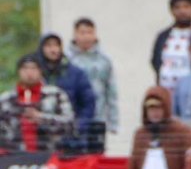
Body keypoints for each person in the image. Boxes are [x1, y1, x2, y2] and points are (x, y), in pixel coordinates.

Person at [34, 32, 95, 152]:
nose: (53, 50)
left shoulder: (76, 74)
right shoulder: (35, 74)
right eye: (48, 46)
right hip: (41, 139)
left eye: (56, 45)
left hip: (70, 138)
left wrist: (79, 127)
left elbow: (88, 104)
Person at [0, 55, 74, 151]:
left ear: (40, 71)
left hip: (50, 153)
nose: (29, 72)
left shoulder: (55, 94)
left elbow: (70, 123)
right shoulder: (6, 99)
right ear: (19, 72)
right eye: (25, 68)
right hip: (13, 155)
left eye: (33, 68)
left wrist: (41, 118)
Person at [68, 18, 118, 153]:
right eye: (82, 33)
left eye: (89, 32)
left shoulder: (104, 61)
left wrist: (113, 120)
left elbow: (111, 91)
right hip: (74, 119)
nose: (86, 37)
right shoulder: (67, 60)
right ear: (75, 34)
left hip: (98, 118)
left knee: (96, 155)